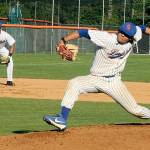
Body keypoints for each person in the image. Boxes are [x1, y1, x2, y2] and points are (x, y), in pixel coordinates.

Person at [43, 22, 150, 131]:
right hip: (95, 79)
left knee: (135, 111)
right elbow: (83, 32)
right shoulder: (107, 38)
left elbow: (142, 28)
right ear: (118, 31)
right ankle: (62, 119)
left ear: (131, 37)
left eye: (127, 35)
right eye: (122, 32)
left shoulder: (135, 35)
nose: (123, 35)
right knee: (74, 83)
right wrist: (63, 40)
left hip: (114, 82)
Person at [0, 22, 16, 86]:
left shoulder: (4, 35)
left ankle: (9, 81)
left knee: (10, 61)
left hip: (1, 49)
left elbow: (12, 43)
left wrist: (9, 56)